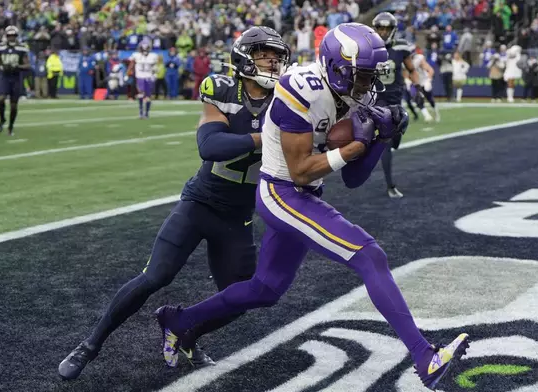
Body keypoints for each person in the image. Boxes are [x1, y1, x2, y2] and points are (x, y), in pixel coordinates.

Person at [155, 23, 470, 391]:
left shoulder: (356, 96)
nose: (366, 83)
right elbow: (301, 171)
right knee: (369, 255)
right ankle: (424, 357)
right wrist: (353, 147)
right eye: (360, 74)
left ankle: (177, 320)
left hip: (304, 194)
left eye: (370, 75)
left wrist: (382, 138)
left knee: (265, 289)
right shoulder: (300, 87)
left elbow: (353, 179)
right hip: (282, 193)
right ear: (337, 66)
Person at [57, 26, 291, 380]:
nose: (272, 62)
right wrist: (267, 136)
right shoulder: (224, 90)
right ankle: (89, 345)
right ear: (244, 57)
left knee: (244, 295)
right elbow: (210, 146)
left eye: (277, 56)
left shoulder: (288, 100)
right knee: (155, 276)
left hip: (239, 216)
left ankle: (187, 334)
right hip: (201, 204)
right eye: (264, 54)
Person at [372, 11, 419, 199]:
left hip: (396, 99)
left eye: (387, 28)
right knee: (387, 142)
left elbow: (412, 69)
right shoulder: (369, 48)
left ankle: (397, 132)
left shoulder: (401, 47)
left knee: (396, 137)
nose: (383, 32)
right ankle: (390, 185)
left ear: (393, 30)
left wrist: (419, 88)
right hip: (377, 100)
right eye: (380, 28)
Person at [0, 26, 30, 136]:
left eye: (13, 36)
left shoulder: (21, 48)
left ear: (16, 36)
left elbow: (27, 64)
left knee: (13, 105)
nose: (11, 38)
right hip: (4, 76)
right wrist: (1, 67)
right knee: (1, 99)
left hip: (16, 77)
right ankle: (2, 119)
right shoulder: (0, 47)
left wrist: (17, 66)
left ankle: (10, 126)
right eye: (9, 36)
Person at [130, 40, 158, 118]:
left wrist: (154, 74)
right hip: (140, 77)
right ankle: (141, 112)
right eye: (143, 49)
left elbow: (155, 67)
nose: (145, 51)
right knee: (141, 94)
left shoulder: (152, 56)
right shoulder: (136, 55)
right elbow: (131, 64)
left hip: (148, 77)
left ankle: (146, 112)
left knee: (147, 96)